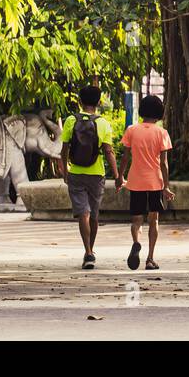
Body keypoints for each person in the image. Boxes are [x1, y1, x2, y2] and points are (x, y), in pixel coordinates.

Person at [60, 84, 120, 270]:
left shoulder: (71, 120)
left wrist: (65, 170)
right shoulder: (102, 123)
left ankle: (88, 251)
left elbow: (64, 149)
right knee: (93, 215)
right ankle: (90, 252)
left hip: (76, 173)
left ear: (80, 101)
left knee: (83, 214)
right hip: (96, 174)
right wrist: (117, 175)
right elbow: (109, 151)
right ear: (99, 102)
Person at [120, 94, 174, 271]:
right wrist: (166, 186)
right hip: (154, 183)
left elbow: (125, 157)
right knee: (153, 220)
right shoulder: (162, 133)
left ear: (142, 111)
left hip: (136, 181)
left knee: (136, 220)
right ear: (159, 113)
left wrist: (120, 176)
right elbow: (163, 163)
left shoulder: (131, 130)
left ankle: (136, 242)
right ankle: (150, 258)